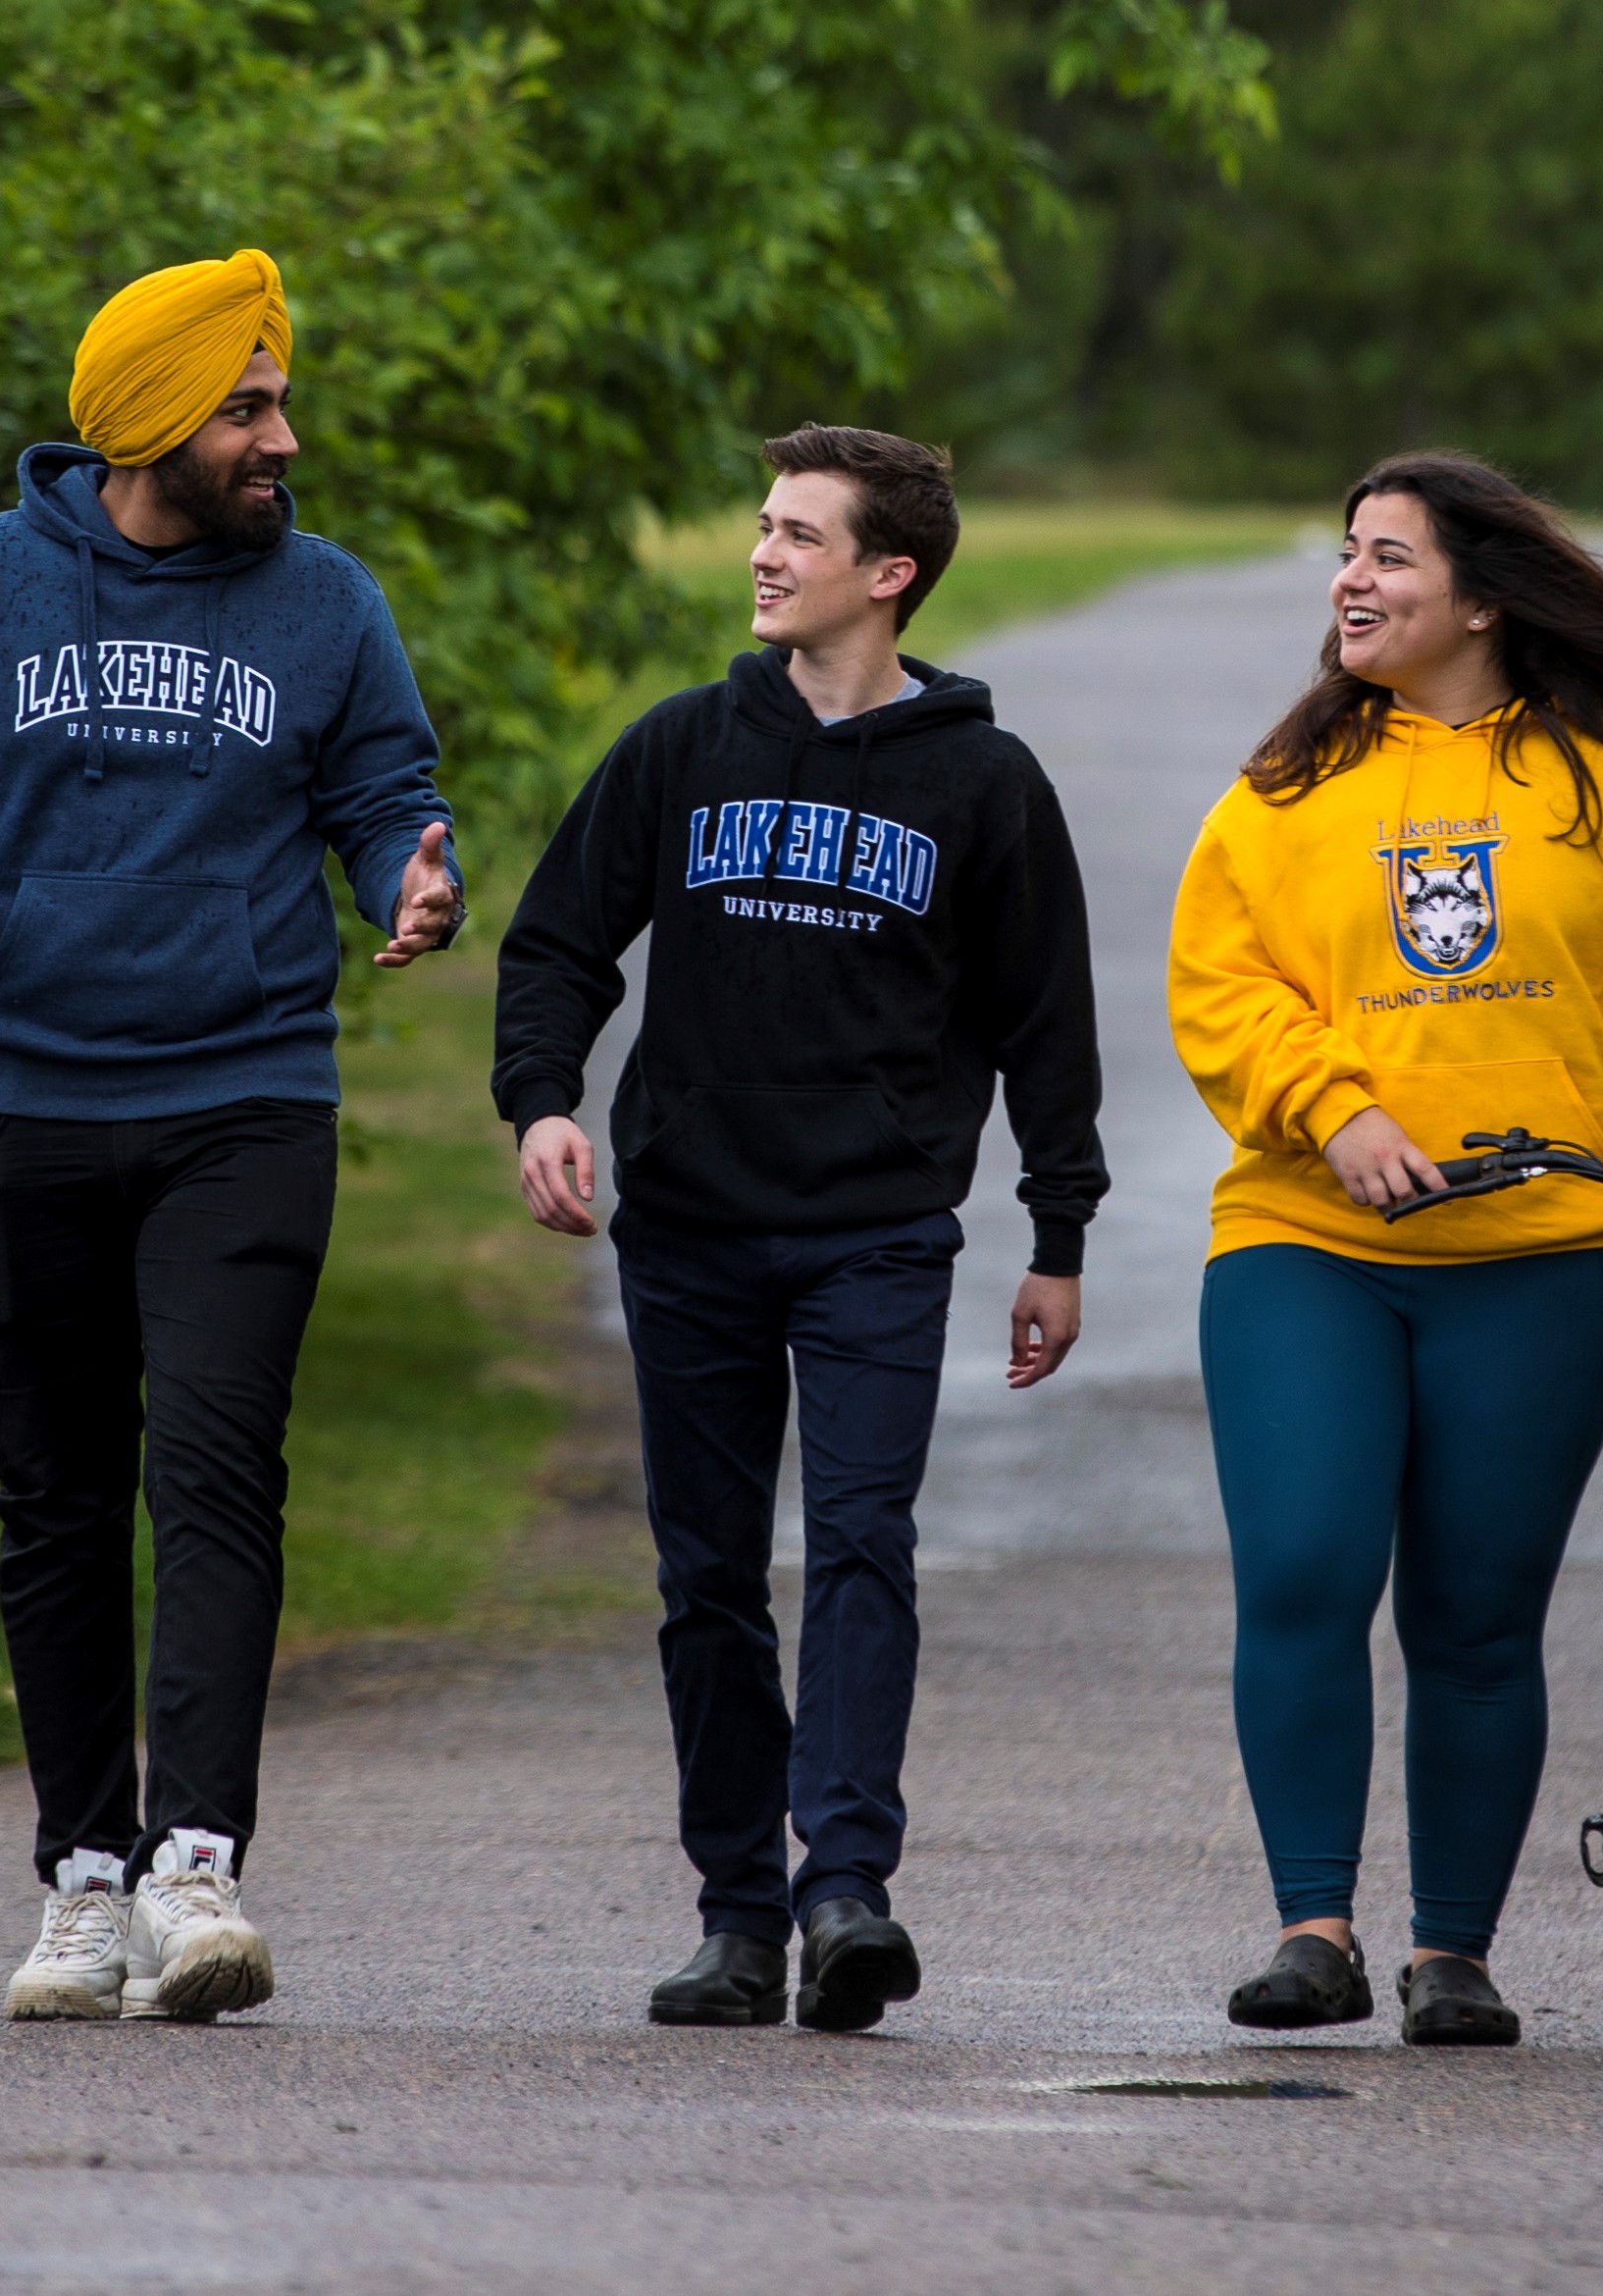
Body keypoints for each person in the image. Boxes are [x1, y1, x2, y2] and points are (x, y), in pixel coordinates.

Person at [0, 247, 462, 2023]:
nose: (284, 437)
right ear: (155, 420)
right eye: (249, 407)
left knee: (218, 1470)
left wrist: (416, 866)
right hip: (17, 1102)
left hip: (244, 1097)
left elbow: (386, 786)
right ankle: (83, 1884)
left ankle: (198, 1868)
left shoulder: (324, 601)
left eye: (278, 399)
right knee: (55, 1498)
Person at [492, 424, 1106, 2033]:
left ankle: (847, 1887)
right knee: (705, 1575)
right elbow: (557, 941)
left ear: (888, 574)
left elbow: (1048, 1024)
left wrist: (1060, 1232)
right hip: (688, 1230)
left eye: (798, 534)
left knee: (858, 1546)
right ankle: (738, 1917)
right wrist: (541, 1102)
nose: (762, 555)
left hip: (876, 1235)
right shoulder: (682, 747)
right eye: (761, 527)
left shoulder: (983, 781)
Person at [1171, 451, 1603, 2047]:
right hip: (1310, 1244)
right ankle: (1313, 1931)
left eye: (1388, 558)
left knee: (1480, 1617)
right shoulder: (1281, 795)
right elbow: (1223, 996)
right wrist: (1331, 1107)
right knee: (1304, 1570)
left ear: (1481, 595)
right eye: (1346, 557)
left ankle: (1452, 1955)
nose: (1351, 582)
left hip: (1543, 1260)